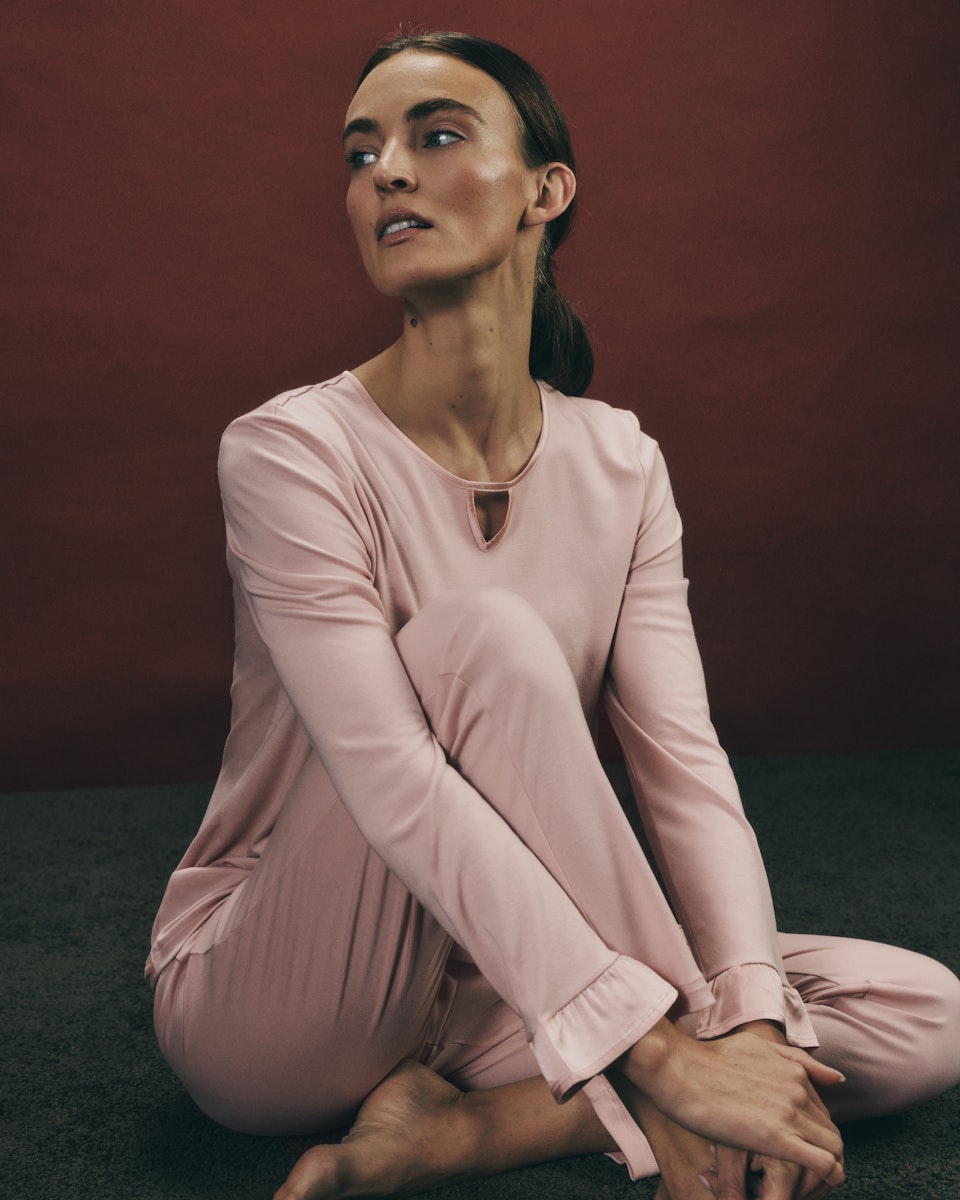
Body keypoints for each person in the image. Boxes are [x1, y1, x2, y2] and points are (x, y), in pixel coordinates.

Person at [146, 31, 960, 1200]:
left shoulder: (620, 461)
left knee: (919, 1011)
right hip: (281, 999)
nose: (384, 172)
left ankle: (471, 1134)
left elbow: (682, 767)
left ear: (547, 191)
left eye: (434, 136)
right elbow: (393, 780)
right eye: (361, 151)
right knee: (487, 639)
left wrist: (752, 1031)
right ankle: (651, 1077)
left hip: (500, 975)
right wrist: (676, 1046)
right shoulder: (290, 451)